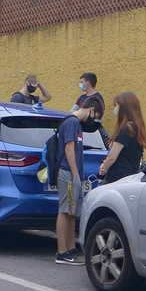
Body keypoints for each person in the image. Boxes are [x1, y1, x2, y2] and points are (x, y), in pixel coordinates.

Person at [52, 110, 85, 266]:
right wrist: (75, 175)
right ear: (92, 110)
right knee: (65, 211)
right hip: (68, 172)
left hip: (70, 173)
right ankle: (62, 252)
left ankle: (71, 249)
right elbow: (69, 149)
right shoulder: (72, 122)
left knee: (71, 212)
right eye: (97, 115)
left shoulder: (73, 122)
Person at [98, 91, 146, 184]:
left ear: (124, 108)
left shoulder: (125, 129)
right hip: (131, 176)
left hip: (118, 176)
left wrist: (103, 170)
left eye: (117, 106)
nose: (115, 109)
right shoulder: (137, 128)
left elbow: (112, 157)